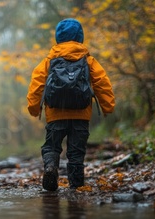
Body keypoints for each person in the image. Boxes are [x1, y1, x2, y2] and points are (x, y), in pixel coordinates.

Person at [26, 18, 115, 191]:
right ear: (80, 37)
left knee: (51, 146)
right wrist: (108, 106)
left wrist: (34, 108)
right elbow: (102, 83)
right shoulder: (88, 60)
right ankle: (76, 186)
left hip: (55, 113)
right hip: (81, 114)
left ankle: (51, 166)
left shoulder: (49, 60)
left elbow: (37, 84)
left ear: (58, 38)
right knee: (76, 152)